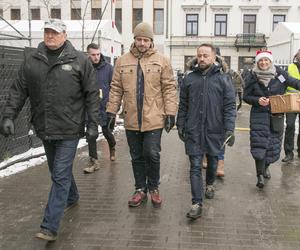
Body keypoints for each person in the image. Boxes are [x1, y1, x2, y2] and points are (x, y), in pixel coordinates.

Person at [0, 19, 99, 241]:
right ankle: (72, 196)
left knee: (60, 174)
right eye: (46, 32)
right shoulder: (32, 60)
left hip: (70, 129)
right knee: (57, 172)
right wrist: (8, 116)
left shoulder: (80, 61)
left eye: (54, 32)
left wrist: (93, 124)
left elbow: (92, 94)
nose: (49, 36)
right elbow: (18, 90)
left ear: (64, 35)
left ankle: (49, 226)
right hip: (44, 127)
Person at [106, 22, 177, 208]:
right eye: (139, 39)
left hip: (154, 117)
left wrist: (170, 113)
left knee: (152, 153)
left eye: (146, 40)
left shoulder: (162, 60)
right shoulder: (122, 61)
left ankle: (153, 187)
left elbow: (169, 88)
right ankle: (140, 189)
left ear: (151, 41)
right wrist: (111, 112)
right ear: (134, 39)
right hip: (131, 117)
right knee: (136, 156)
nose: (142, 43)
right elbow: (115, 88)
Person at [176, 43, 236, 219]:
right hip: (193, 129)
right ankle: (196, 203)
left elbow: (230, 106)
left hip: (214, 130)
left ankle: (210, 184)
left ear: (214, 57)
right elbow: (184, 104)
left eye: (206, 55)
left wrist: (230, 129)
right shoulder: (189, 79)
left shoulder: (224, 79)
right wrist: (180, 124)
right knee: (194, 166)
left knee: (212, 162)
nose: (202, 58)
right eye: (199, 55)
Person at [243, 50, 300, 189]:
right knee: (259, 144)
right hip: (259, 115)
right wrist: (257, 100)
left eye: (266, 60)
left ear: (270, 61)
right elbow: (246, 96)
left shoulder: (280, 74)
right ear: (257, 62)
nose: (263, 63)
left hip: (277, 116)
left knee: (273, 144)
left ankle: (266, 167)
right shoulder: (252, 76)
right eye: (261, 61)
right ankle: (259, 176)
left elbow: (294, 82)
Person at [83, 43, 116, 174]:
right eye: (93, 55)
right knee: (91, 135)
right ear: (88, 55)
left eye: (98, 54)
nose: (96, 57)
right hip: (90, 107)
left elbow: (114, 88)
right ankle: (94, 162)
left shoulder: (108, 68)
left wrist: (113, 105)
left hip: (105, 107)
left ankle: (112, 146)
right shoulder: (84, 68)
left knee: (107, 132)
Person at [282, 50, 300, 163]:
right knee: (290, 125)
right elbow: (282, 80)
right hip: (291, 101)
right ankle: (289, 153)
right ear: (297, 56)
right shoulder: (290, 67)